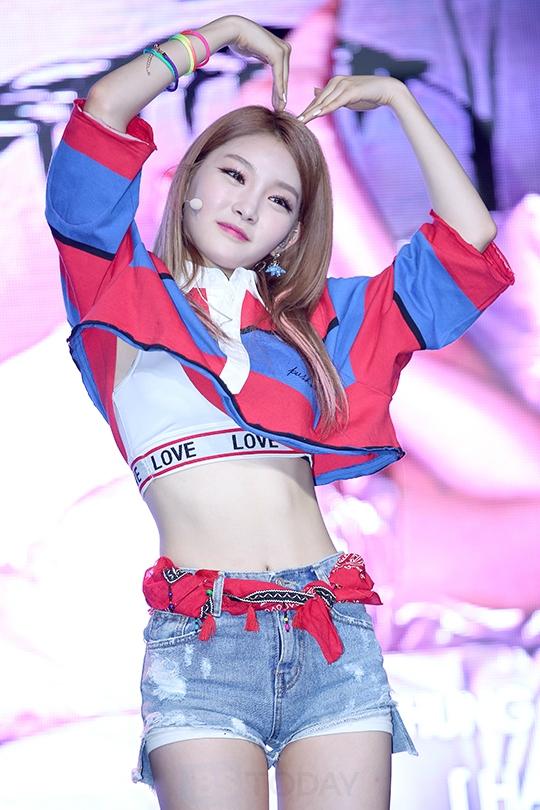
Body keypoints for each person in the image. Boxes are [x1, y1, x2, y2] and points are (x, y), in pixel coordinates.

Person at [44, 13, 515, 810]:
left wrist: (399, 101)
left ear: (289, 233)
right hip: (203, 643)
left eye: (278, 200)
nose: (247, 205)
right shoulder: (116, 290)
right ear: (189, 180)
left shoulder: (319, 325)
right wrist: (219, 32)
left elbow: (469, 243)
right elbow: (104, 114)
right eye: (233, 175)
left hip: (332, 630)